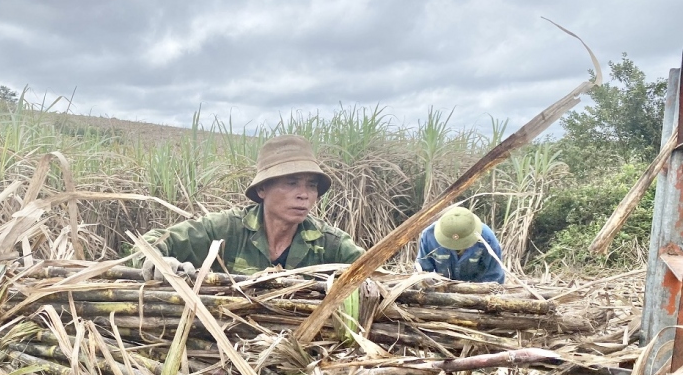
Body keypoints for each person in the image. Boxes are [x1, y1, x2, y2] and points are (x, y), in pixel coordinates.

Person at [138, 134, 365, 281]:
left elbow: (376, 275)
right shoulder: (225, 230)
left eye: (312, 185)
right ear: (262, 189)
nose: (304, 195)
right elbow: (149, 243)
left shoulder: (329, 244)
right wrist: (159, 262)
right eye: (292, 183)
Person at [416, 206, 505, 284]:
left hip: (478, 293)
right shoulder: (429, 236)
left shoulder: (487, 238)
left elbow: (494, 277)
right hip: (441, 292)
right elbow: (423, 271)